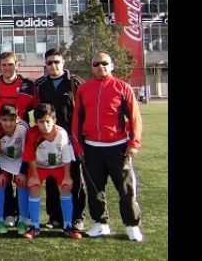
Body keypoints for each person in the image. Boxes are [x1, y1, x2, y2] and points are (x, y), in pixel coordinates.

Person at [72, 52, 144, 242]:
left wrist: (133, 143)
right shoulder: (84, 89)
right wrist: (78, 147)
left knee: (126, 190)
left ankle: (131, 225)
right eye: (96, 64)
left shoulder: (123, 87)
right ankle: (101, 224)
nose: (100, 67)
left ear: (111, 65)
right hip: (91, 148)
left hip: (118, 148)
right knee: (95, 189)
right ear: (91, 67)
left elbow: (135, 117)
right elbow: (77, 120)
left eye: (105, 63)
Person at [33, 49, 86, 231]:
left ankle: (78, 217)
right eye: (49, 63)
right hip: (48, 139)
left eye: (57, 62)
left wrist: (80, 137)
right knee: (51, 177)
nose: (53, 66)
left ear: (63, 62)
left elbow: (85, 109)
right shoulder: (39, 84)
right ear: (45, 65)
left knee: (75, 178)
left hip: (72, 139)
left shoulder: (75, 82)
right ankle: (55, 216)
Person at [22, 103, 82, 240]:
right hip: (39, 167)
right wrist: (34, 177)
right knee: (34, 187)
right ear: (35, 122)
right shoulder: (32, 134)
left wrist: (67, 177)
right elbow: (30, 157)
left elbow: (67, 158)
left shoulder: (62, 134)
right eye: (41, 122)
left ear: (54, 120)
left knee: (66, 188)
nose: (45, 125)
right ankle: (35, 227)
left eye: (48, 121)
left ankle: (68, 226)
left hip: (59, 166)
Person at [0, 104, 30, 235]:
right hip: (3, 158)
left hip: (20, 158)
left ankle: (22, 220)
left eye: (11, 120)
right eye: (4, 120)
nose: (8, 124)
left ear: (17, 119)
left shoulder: (23, 128)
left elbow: (27, 152)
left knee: (23, 184)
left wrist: (23, 172)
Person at [0, 52, 36, 122]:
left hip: (21, 128)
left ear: (17, 65)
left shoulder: (29, 85)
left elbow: (38, 109)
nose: (7, 68)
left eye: (10, 64)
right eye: (3, 65)